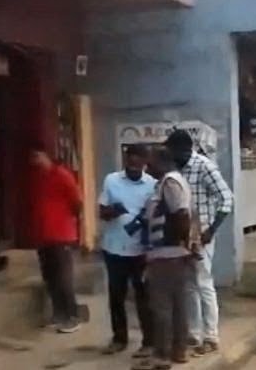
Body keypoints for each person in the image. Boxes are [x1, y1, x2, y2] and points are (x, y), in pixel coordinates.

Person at [164, 130, 233, 357]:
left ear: (183, 149)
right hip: (184, 234)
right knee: (189, 285)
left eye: (171, 149)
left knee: (203, 283)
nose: (169, 154)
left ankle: (211, 336)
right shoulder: (176, 170)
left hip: (202, 234)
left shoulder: (204, 166)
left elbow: (227, 199)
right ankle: (193, 333)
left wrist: (211, 230)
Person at [138, 147, 196, 370]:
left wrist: (181, 243)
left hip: (167, 254)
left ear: (163, 162)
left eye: (151, 162)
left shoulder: (170, 182)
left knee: (161, 306)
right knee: (177, 305)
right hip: (172, 253)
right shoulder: (170, 182)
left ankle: (162, 355)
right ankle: (178, 351)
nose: (147, 167)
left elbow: (181, 214)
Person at [98, 144, 156, 355]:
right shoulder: (111, 180)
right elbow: (101, 212)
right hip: (114, 248)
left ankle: (149, 342)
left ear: (145, 162)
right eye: (130, 161)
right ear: (125, 160)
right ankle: (119, 338)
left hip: (140, 251)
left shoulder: (153, 185)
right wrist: (113, 211)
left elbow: (155, 216)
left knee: (144, 297)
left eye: (137, 162)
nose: (133, 166)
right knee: (116, 296)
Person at [31, 144, 83, 333]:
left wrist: (68, 222)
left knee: (63, 278)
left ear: (46, 156)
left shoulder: (62, 175)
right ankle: (58, 314)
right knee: (50, 277)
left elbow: (77, 202)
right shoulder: (39, 177)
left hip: (62, 235)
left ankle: (73, 316)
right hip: (43, 236)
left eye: (37, 156)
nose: (35, 161)